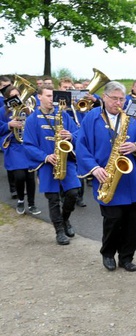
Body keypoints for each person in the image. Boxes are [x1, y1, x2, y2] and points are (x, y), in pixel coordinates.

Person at [75, 81, 136, 272]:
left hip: (130, 178)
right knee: (113, 220)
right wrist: (93, 169)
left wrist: (135, 146)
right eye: (114, 98)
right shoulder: (92, 117)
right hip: (105, 176)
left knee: (131, 222)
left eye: (122, 99)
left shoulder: (131, 117)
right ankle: (108, 254)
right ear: (104, 98)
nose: (118, 103)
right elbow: (81, 146)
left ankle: (127, 257)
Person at [23, 85, 81, 245]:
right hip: (47, 163)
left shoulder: (63, 115)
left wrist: (71, 135)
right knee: (53, 199)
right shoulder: (32, 119)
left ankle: (65, 219)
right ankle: (59, 231)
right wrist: (45, 157)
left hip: (66, 160)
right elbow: (28, 145)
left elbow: (77, 132)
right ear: (39, 97)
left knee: (73, 193)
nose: (51, 99)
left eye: (52, 96)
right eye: (48, 96)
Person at [1, 86, 38, 215]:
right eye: (12, 96)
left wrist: (29, 114)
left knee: (30, 176)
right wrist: (8, 125)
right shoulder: (2, 111)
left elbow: (36, 126)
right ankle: (21, 200)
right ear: (7, 98)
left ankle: (32, 204)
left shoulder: (28, 110)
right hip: (14, 147)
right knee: (19, 176)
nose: (16, 98)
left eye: (18, 95)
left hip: (28, 146)